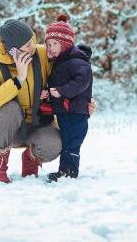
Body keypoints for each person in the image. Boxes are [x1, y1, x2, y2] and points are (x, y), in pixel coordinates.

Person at [0, 19, 97, 183]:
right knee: (10, 108)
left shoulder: (41, 55)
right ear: (13, 50)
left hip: (39, 123)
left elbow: (67, 76)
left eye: (32, 40)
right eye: (28, 45)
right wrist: (18, 79)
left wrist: (84, 100)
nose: (34, 47)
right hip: (9, 129)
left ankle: (31, 159)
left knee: (54, 145)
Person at [42, 15, 93, 183]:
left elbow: (82, 80)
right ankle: (64, 169)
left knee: (72, 142)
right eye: (49, 44)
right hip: (65, 111)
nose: (52, 47)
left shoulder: (76, 61)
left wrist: (62, 91)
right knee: (67, 141)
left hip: (76, 111)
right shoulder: (61, 62)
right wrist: (50, 94)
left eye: (55, 43)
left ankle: (68, 171)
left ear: (66, 43)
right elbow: (60, 83)